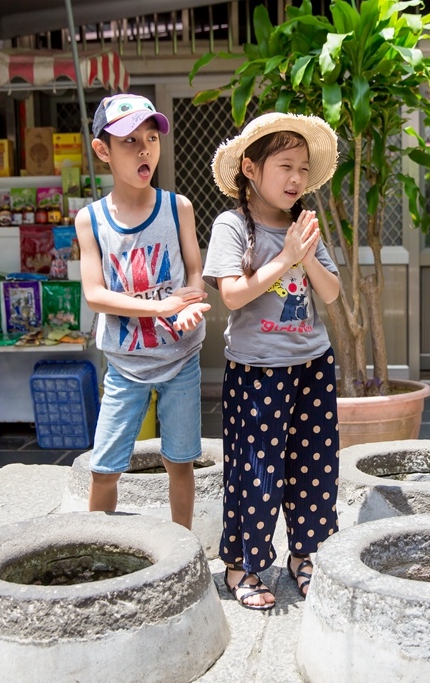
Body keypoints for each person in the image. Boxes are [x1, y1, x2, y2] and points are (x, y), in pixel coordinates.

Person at [203, 112, 342, 610]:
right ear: (250, 168)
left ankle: (304, 555)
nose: (296, 179)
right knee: (256, 471)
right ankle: (242, 564)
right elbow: (233, 296)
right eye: (285, 165)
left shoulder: (303, 226)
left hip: (313, 365)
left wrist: (304, 256)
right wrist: (285, 259)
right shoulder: (232, 224)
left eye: (303, 169)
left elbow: (331, 290)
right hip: (258, 371)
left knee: (315, 468)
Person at [75, 93, 210, 529]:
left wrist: (189, 304)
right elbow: (95, 294)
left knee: (180, 462)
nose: (144, 149)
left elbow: (195, 275)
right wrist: (161, 307)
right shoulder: (90, 220)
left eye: (151, 138)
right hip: (125, 364)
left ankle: (183, 549)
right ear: (103, 150)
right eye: (129, 140)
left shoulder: (178, 207)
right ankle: (96, 547)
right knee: (105, 466)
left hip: (181, 358)